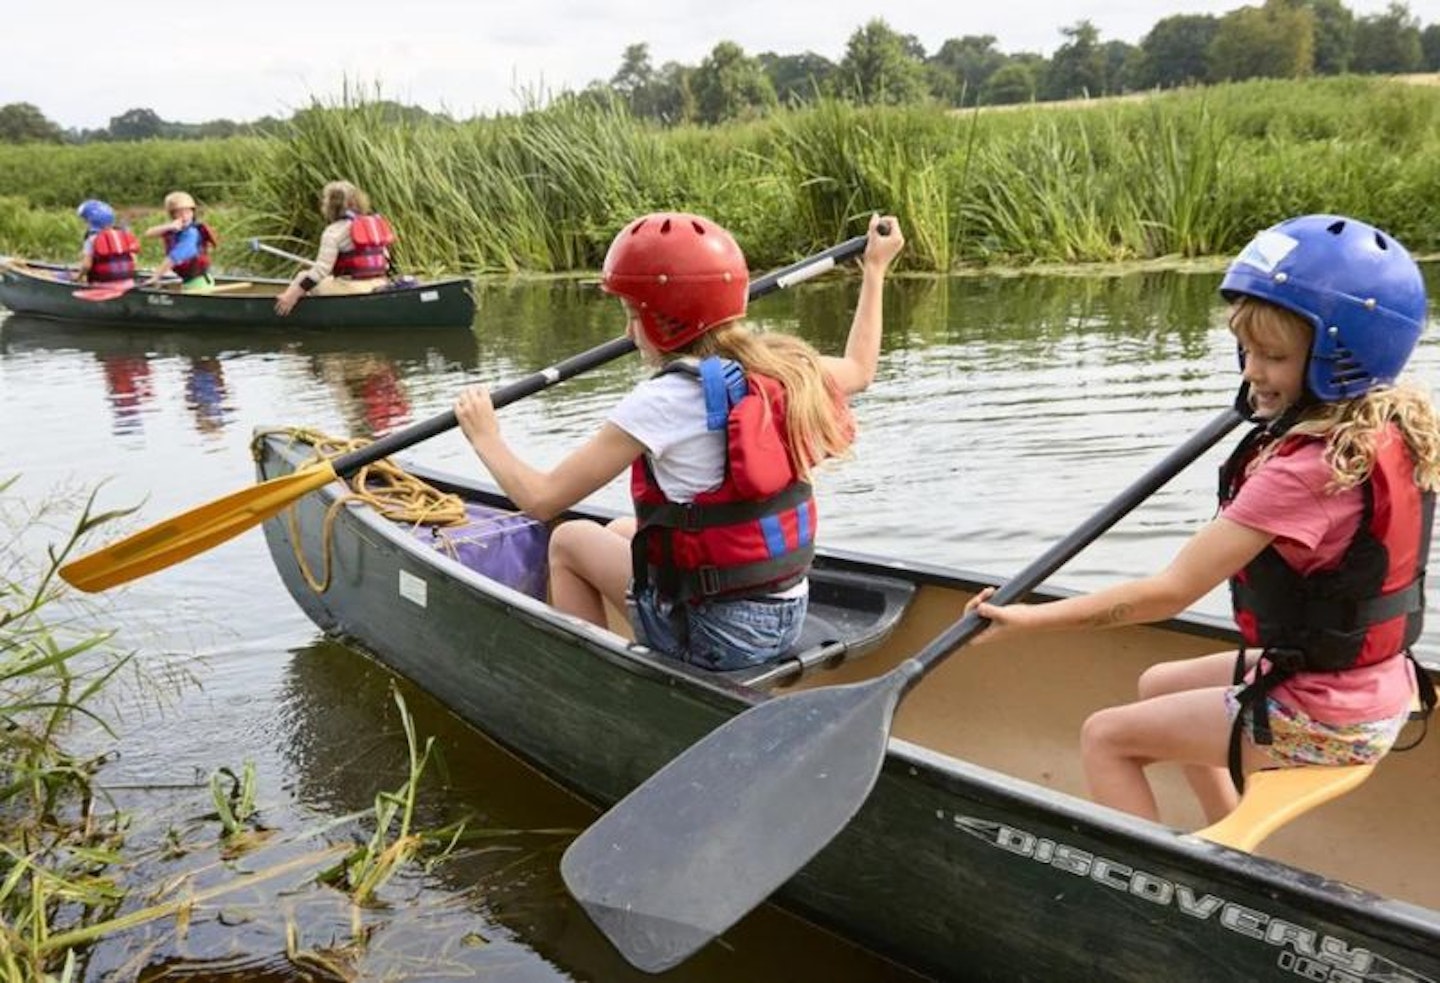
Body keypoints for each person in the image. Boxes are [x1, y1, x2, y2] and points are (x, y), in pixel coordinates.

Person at [965, 213, 1439, 825]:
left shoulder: (1303, 472)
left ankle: (1157, 886)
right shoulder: (1388, 424)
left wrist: (1026, 621)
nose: (1250, 372)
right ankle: (1222, 838)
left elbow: (1168, 593)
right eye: (1245, 348)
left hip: (1328, 715)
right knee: (1158, 683)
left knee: (1105, 737)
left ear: (1340, 360)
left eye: (1273, 356)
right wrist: (1275, 382)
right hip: (1373, 684)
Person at [454, 211, 904, 671]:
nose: (629, 333)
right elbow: (861, 369)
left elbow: (541, 500)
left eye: (633, 316)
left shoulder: (663, 400)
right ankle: (650, 652)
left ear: (666, 320)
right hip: (786, 611)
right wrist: (875, 270)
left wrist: (485, 436)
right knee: (619, 533)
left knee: (568, 539)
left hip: (721, 632)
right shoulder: (782, 366)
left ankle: (599, 681)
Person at [274, 181, 397, 316]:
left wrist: (293, 294)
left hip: (354, 290)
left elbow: (321, 271)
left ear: (331, 206)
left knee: (302, 276)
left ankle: (286, 305)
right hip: (380, 284)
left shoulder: (333, 232)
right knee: (323, 278)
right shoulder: (372, 225)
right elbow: (386, 261)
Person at [141, 191, 217, 292]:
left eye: (187, 212)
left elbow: (174, 257)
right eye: (179, 212)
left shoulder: (191, 234)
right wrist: (169, 226)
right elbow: (148, 233)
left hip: (199, 283)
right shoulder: (176, 230)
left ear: (193, 213)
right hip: (188, 282)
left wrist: (155, 277)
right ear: (173, 215)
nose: (184, 216)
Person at [75, 199, 140, 284]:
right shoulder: (123, 235)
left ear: (91, 221)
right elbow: (134, 261)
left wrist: (78, 277)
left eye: (85, 220)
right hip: (127, 282)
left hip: (102, 283)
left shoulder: (91, 238)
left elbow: (86, 266)